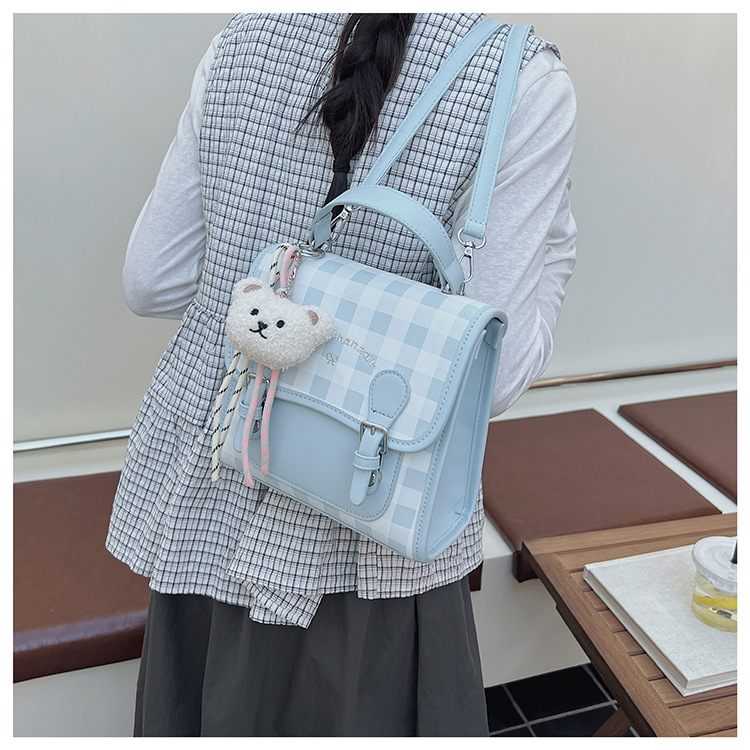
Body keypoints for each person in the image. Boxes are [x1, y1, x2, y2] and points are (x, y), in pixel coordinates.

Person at [107, 12, 577, 737]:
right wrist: (559, 256)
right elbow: (497, 377)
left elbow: (152, 281)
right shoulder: (521, 77)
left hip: (210, 488)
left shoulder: (244, 38)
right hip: (372, 528)